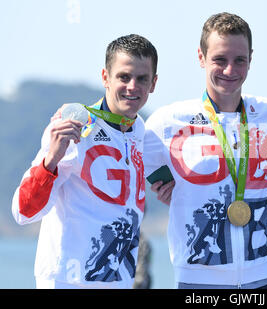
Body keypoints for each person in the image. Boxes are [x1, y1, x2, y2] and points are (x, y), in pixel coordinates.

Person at [144, 12, 267, 288]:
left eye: (240, 60)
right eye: (219, 60)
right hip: (198, 282)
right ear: (201, 58)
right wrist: (85, 118)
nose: (229, 70)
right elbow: (126, 147)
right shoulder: (168, 120)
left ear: (251, 58)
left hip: (265, 278)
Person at [11, 34, 158, 288]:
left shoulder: (139, 128)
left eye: (141, 78)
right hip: (68, 281)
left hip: (119, 279)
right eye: (124, 76)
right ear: (105, 77)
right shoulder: (75, 125)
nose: (133, 86)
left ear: (153, 83)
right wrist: (51, 160)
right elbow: (23, 213)